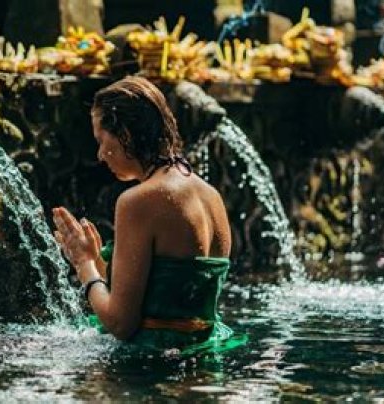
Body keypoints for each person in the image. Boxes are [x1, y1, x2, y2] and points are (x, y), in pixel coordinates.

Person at [52, 76, 243, 353]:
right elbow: (167, 298)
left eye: (101, 140)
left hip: (152, 365)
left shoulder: (138, 201)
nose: (100, 155)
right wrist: (99, 263)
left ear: (125, 135)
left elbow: (120, 323)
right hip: (205, 357)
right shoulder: (211, 196)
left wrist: (84, 264)